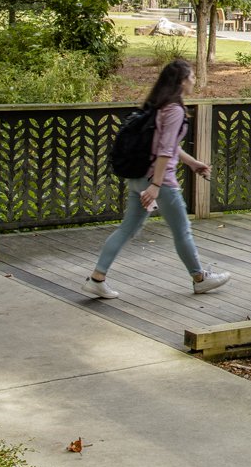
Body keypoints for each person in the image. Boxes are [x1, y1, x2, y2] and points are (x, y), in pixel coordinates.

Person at [83, 59, 230, 299]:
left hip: (139, 178)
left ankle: (97, 278)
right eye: (192, 77)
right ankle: (200, 278)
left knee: (127, 229)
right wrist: (156, 185)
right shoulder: (174, 110)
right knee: (182, 230)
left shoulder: (158, 106)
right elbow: (163, 151)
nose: (194, 80)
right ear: (182, 81)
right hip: (159, 182)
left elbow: (169, 146)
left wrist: (192, 163)